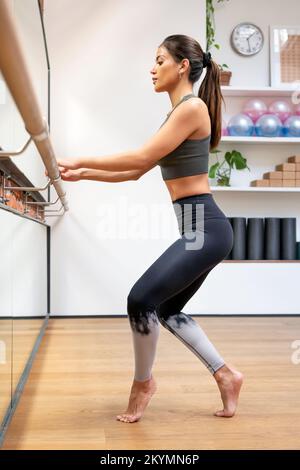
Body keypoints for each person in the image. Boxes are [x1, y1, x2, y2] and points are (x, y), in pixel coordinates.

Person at [54, 34, 243, 424]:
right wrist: (80, 173)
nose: (152, 68)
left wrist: (78, 157)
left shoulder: (191, 109)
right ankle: (226, 375)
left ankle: (143, 383)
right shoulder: (177, 114)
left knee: (140, 300)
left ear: (182, 66)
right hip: (197, 227)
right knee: (169, 309)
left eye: (160, 60)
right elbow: (137, 171)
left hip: (205, 227)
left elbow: (140, 156)